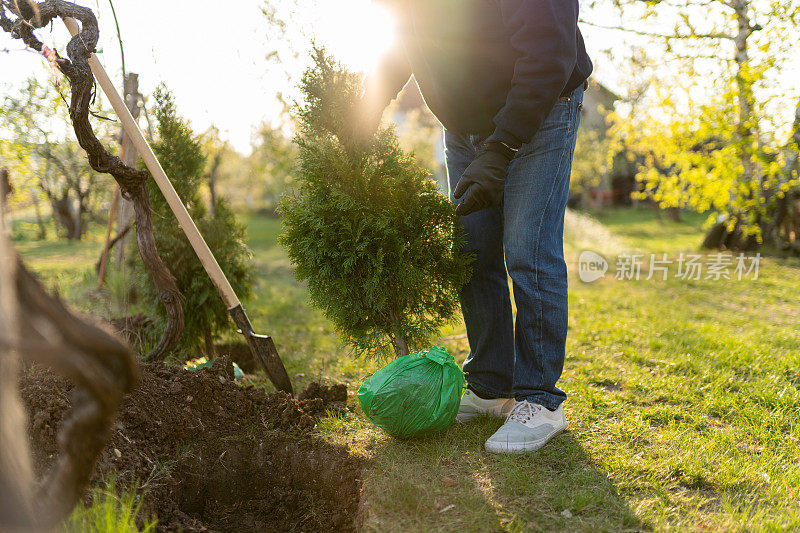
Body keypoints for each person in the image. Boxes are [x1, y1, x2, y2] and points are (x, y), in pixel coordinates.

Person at [358, 0, 592, 454]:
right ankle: (491, 385)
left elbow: (548, 52)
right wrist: (364, 109)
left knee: (528, 249)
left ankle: (541, 401)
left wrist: (501, 147)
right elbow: (404, 37)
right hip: (464, 126)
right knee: (472, 250)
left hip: (541, 110)